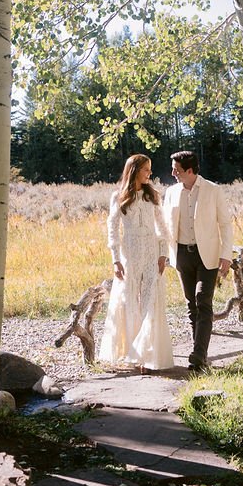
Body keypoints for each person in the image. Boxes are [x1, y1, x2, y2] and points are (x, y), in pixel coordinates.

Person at [97, 153, 174, 372]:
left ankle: (148, 357)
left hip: (151, 254)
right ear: (134, 171)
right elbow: (112, 229)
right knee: (131, 303)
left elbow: (162, 227)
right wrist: (115, 260)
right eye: (146, 170)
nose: (150, 173)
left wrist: (163, 254)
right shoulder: (118, 197)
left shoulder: (153, 195)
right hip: (129, 254)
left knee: (150, 302)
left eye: (150, 169)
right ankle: (134, 356)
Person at [162, 150, 232, 372]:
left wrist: (226, 255)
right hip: (182, 254)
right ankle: (198, 354)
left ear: (189, 170)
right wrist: (163, 254)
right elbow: (165, 228)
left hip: (208, 255)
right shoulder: (171, 193)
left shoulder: (213, 190)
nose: (173, 173)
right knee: (191, 304)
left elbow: (225, 224)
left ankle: (199, 354)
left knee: (203, 300)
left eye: (177, 169)